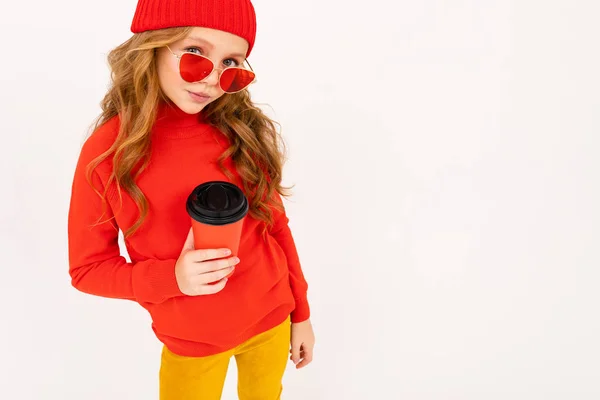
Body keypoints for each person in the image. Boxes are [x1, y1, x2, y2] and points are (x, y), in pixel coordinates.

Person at [67, 0, 315, 398]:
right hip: (192, 344)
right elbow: (87, 270)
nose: (210, 79)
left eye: (231, 63)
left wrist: (300, 313)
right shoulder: (108, 153)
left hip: (272, 319)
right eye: (196, 53)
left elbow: (277, 228)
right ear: (152, 46)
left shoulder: (239, 132)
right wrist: (173, 279)